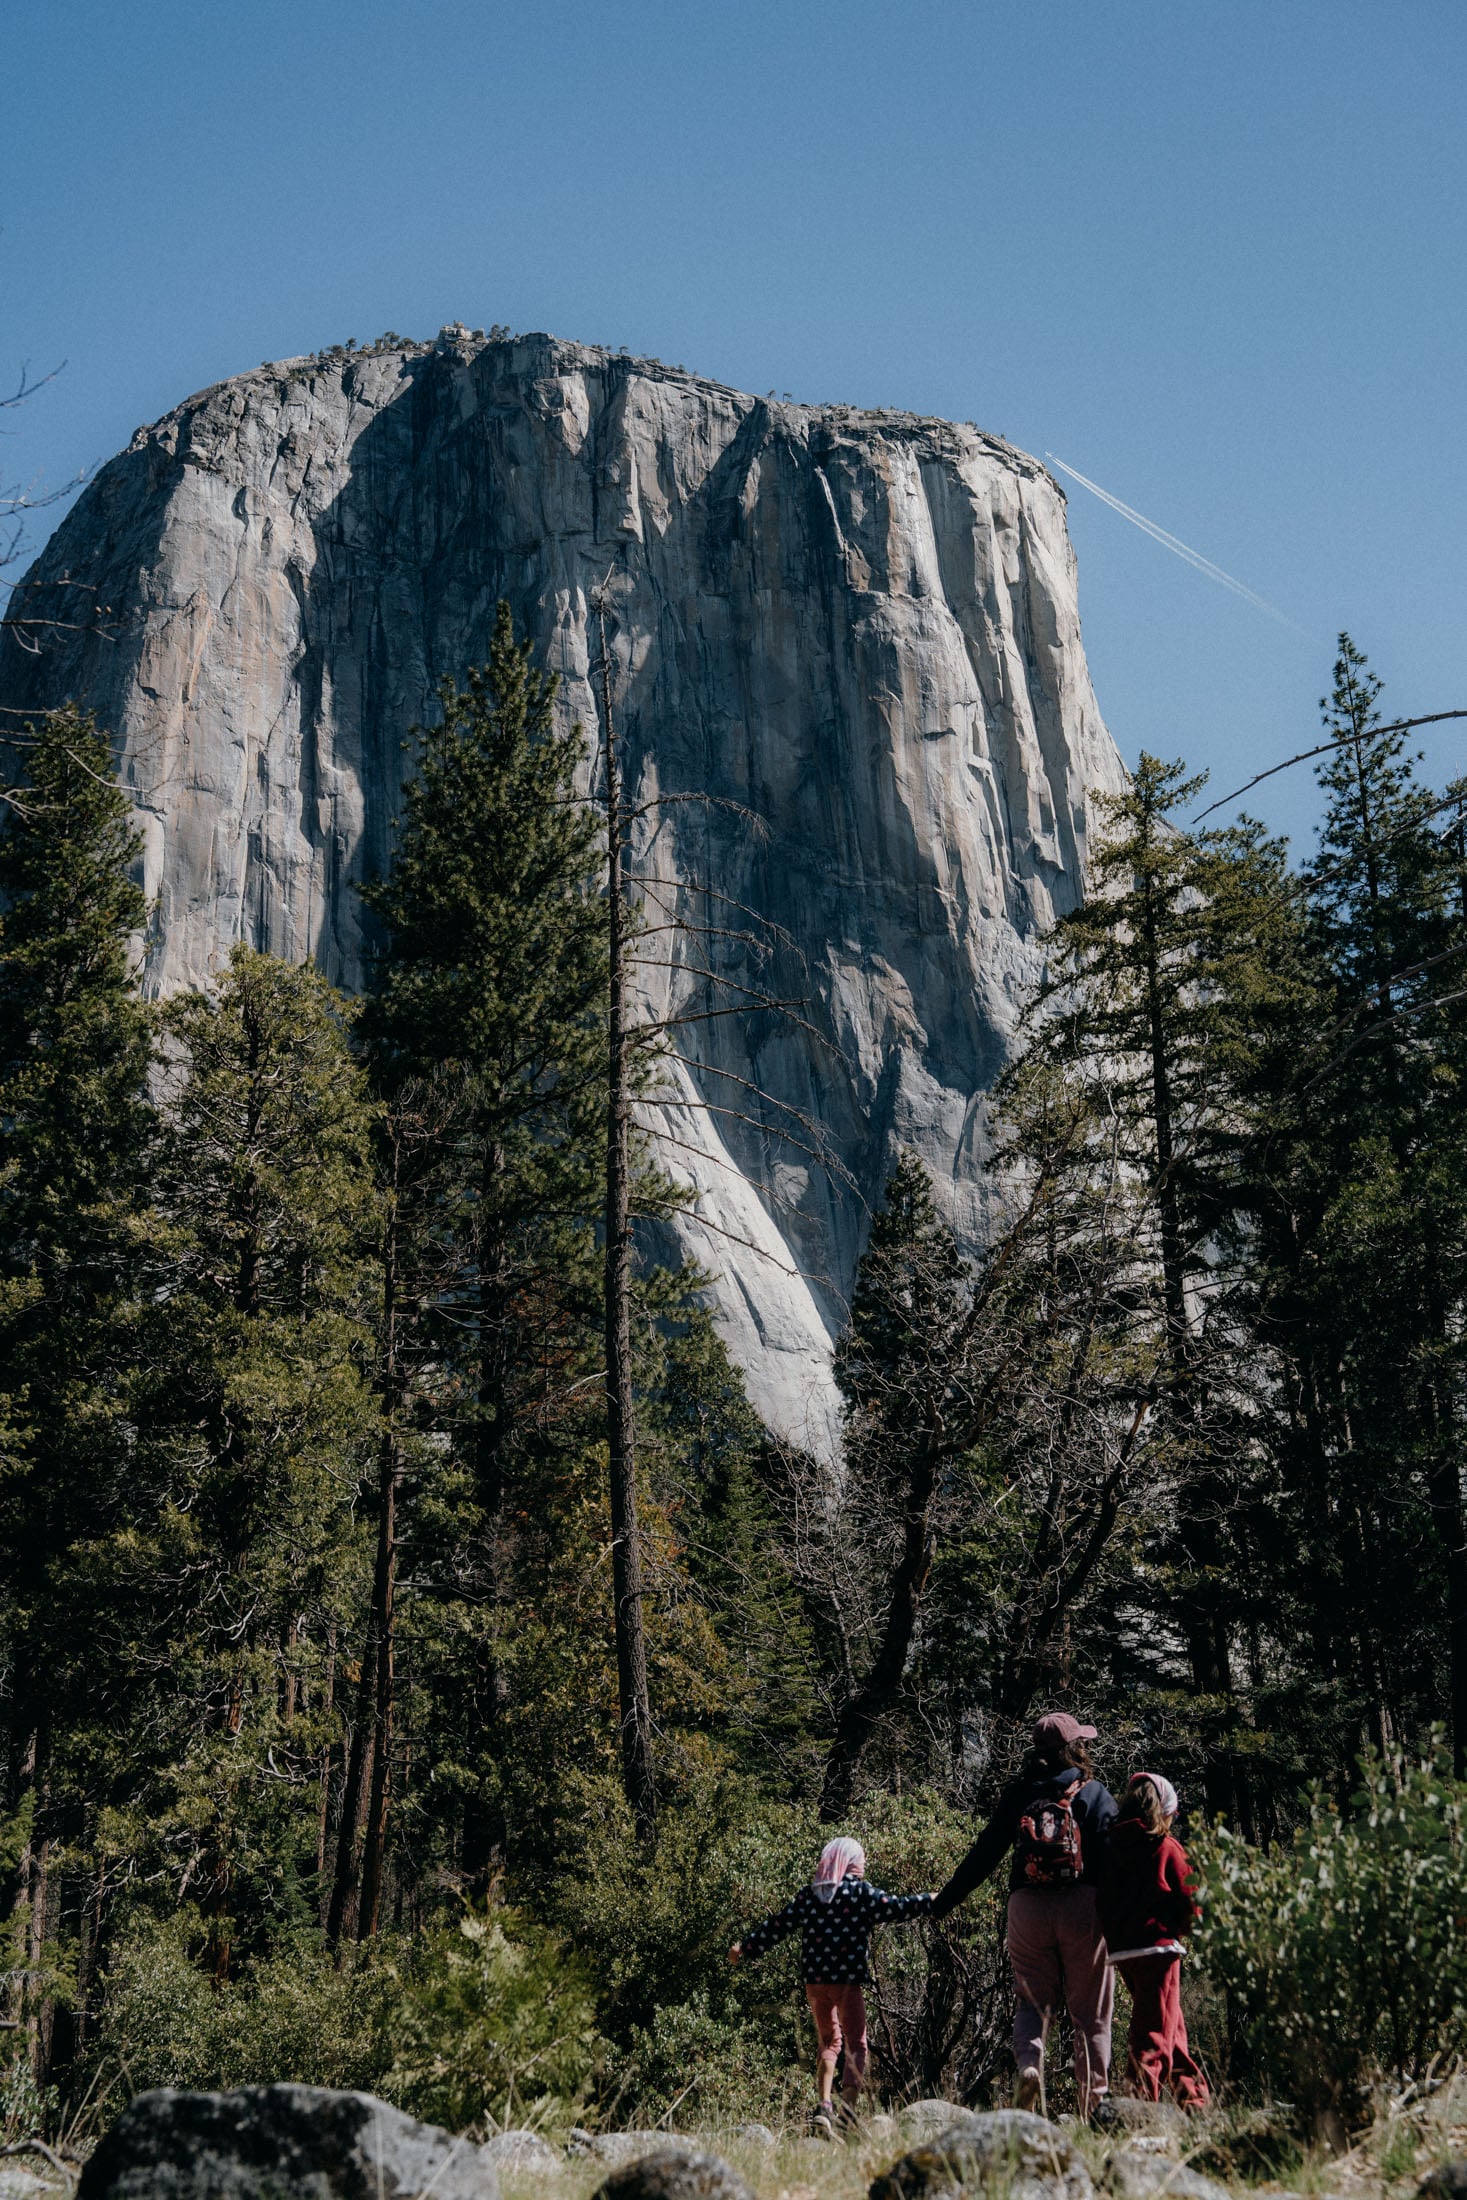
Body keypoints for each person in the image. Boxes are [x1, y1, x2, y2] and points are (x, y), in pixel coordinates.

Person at [930, 1711, 1118, 2117]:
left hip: (1027, 1906)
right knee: (1091, 2014)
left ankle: (1030, 2066)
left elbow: (984, 1854)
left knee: (1031, 2005)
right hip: (1081, 1905)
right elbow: (1116, 1858)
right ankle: (1095, 2106)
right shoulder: (1094, 1793)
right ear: (1075, 1748)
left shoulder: (1019, 1795)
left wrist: (943, 1902)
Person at [729, 1835, 935, 2136]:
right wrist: (931, 1900)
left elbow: (778, 1925)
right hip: (846, 1982)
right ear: (851, 1862)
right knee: (856, 2043)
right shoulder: (859, 1892)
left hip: (815, 1982)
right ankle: (847, 2113)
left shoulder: (809, 1895)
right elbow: (896, 1907)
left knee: (828, 2042)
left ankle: (824, 2106)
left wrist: (745, 1948)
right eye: (861, 1860)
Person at [1098, 1771, 1210, 2109]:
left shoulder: (1112, 1847)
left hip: (1124, 1951)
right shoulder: (1166, 1848)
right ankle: (1137, 2102)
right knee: (1155, 2032)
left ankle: (1193, 2098)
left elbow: (1102, 1899)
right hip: (1159, 1950)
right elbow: (1193, 1899)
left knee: (1168, 2023)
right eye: (1173, 1815)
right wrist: (1185, 1926)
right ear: (1164, 1812)